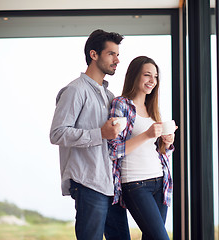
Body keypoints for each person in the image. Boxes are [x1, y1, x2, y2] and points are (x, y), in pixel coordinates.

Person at [50, 29, 130, 240]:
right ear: (94, 55)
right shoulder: (75, 91)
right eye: (111, 54)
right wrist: (100, 134)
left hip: (111, 185)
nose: (117, 60)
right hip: (88, 183)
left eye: (118, 55)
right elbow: (57, 134)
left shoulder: (110, 95)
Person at [108, 56, 175, 240]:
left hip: (160, 181)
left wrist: (167, 143)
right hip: (135, 183)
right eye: (147, 75)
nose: (152, 81)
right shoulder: (121, 104)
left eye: (155, 76)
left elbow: (157, 150)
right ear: (134, 75)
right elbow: (113, 150)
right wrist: (147, 134)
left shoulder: (151, 108)